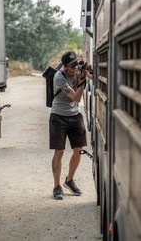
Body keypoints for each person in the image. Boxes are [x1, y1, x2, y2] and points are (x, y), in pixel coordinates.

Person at [49, 51, 93, 200]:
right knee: (59, 151)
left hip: (75, 115)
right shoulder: (59, 77)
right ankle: (57, 186)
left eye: (77, 63)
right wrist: (82, 80)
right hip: (59, 116)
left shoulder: (78, 70)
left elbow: (96, 78)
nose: (75, 68)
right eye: (72, 66)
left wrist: (90, 70)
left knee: (78, 150)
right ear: (65, 67)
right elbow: (76, 97)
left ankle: (69, 180)